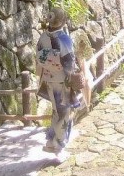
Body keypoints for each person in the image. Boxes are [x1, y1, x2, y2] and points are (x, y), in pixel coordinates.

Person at [36, 10, 88, 160]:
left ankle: (50, 141)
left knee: (56, 110)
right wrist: (74, 74)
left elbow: (39, 57)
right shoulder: (64, 39)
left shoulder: (43, 37)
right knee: (64, 113)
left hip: (48, 78)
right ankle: (59, 144)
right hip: (62, 80)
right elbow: (69, 62)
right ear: (63, 21)